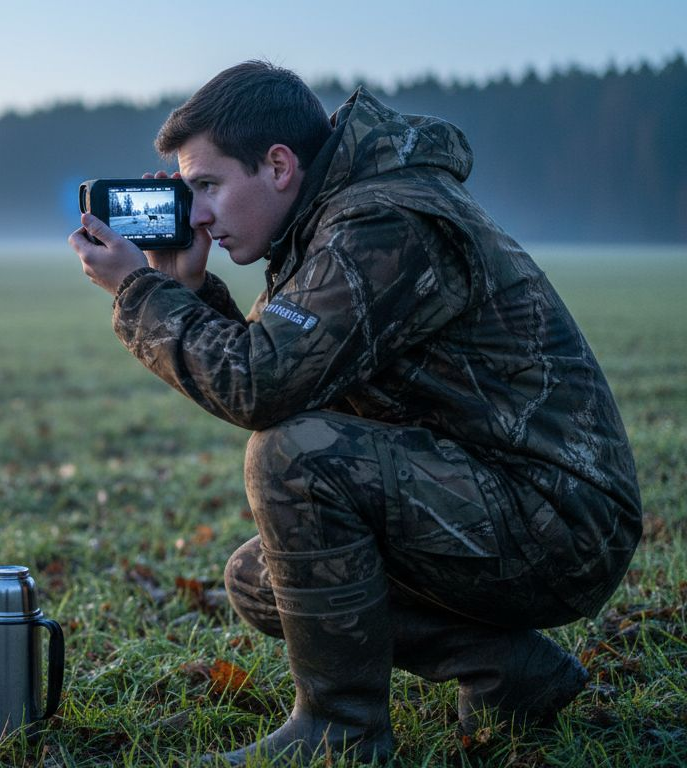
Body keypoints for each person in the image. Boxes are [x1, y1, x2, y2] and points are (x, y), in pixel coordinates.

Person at [67, 61, 641, 765]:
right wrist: (182, 288)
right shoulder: (331, 217)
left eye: (208, 186)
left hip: (560, 522)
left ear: (279, 165)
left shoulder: (382, 221)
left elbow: (262, 387)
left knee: (295, 454)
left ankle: (342, 729)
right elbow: (284, 365)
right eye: (188, 194)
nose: (199, 215)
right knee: (264, 580)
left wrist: (139, 294)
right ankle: (510, 670)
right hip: (500, 495)